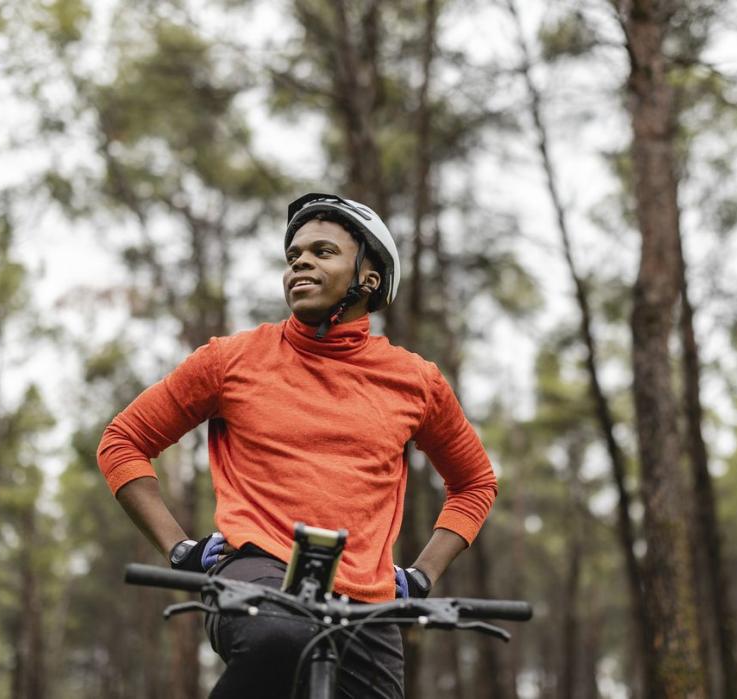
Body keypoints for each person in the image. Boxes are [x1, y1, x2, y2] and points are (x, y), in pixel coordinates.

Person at [96, 193, 498, 698]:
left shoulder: (417, 381)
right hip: (257, 571)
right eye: (293, 257)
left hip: (367, 601)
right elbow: (122, 441)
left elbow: (475, 483)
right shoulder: (231, 360)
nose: (301, 262)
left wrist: (421, 575)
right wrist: (181, 550)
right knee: (282, 635)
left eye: (323, 252)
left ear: (368, 279)